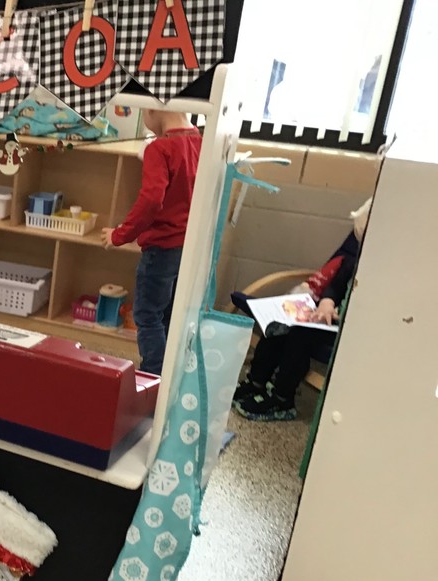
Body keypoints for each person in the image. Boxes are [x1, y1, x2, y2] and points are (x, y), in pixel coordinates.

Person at [233, 198, 372, 421]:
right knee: (282, 323)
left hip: (352, 328)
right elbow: (336, 285)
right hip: (328, 316)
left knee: (300, 335)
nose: (362, 245)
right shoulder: (355, 258)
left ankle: (282, 398)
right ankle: (256, 381)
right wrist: (327, 301)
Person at [100, 110, 202, 375]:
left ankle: (153, 375)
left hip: (162, 247)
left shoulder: (160, 148)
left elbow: (151, 200)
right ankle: (169, 373)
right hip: (188, 248)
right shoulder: (201, 141)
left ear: (153, 109)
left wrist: (119, 234)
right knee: (168, 313)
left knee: (147, 314)